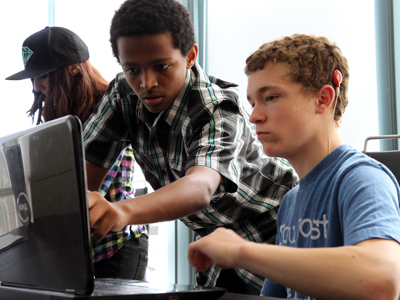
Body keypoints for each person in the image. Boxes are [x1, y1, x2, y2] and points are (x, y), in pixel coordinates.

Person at [83, 0, 297, 294]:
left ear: (190, 55)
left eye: (161, 66)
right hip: (216, 241)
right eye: (132, 69)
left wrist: (123, 211)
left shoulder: (216, 108)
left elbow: (199, 187)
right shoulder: (123, 95)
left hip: (280, 231)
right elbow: (84, 175)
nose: (146, 83)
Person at [187, 33, 400, 300]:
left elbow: (381, 281)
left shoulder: (363, 179)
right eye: (252, 103)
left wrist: (241, 251)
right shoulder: (290, 201)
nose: (254, 116)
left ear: (323, 99)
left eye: (271, 97)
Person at [5, 26, 148, 280]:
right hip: (80, 250)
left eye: (45, 75)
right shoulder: (61, 120)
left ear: (73, 68)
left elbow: (83, 190)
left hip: (116, 248)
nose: (37, 86)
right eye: (34, 77)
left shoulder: (108, 110)